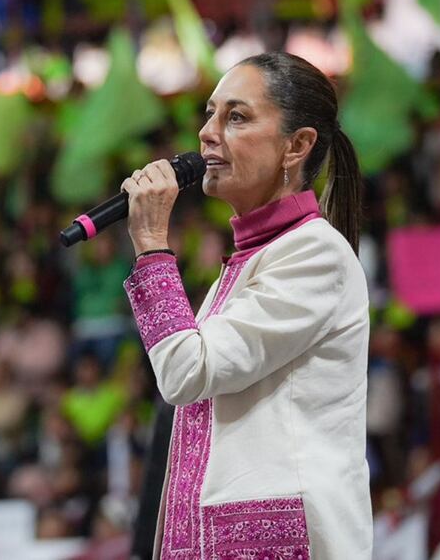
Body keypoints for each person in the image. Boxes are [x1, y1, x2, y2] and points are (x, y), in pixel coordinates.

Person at [120, 52, 371, 558]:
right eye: (209, 114)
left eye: (235, 117)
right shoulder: (249, 263)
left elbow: (187, 373)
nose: (207, 134)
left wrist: (151, 245)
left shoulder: (314, 253)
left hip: (278, 537)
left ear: (297, 146)